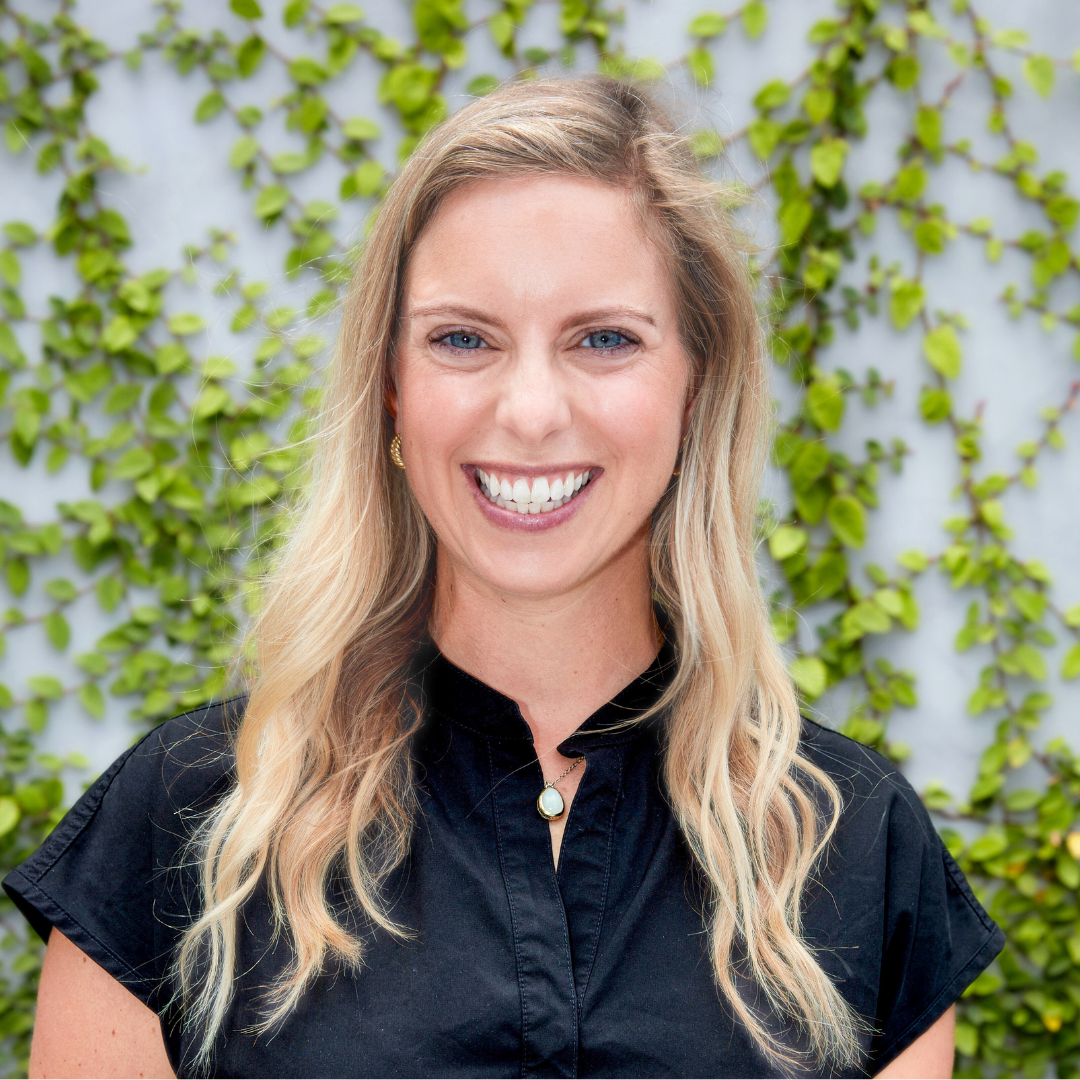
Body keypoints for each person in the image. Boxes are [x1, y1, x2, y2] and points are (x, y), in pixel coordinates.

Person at [6, 76, 1002, 1080]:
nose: (529, 411)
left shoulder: (854, 844)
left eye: (604, 339)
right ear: (393, 388)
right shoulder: (189, 823)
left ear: (697, 386)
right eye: (463, 339)